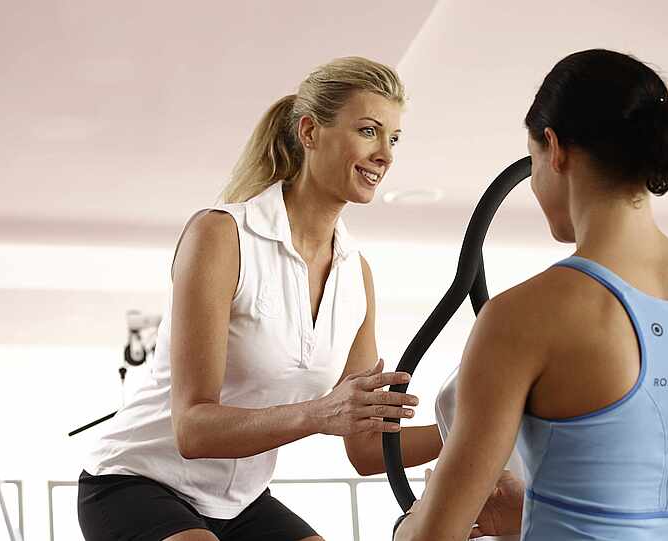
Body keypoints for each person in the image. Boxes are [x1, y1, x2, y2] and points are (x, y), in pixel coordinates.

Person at [393, 49, 668, 541]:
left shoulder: (523, 316)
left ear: (555, 148)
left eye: (533, 162)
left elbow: (436, 535)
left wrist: (409, 524)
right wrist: (530, 509)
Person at [77, 56, 446, 541]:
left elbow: (367, 449)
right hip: (135, 483)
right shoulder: (222, 236)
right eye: (368, 131)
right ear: (310, 132)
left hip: (240, 502)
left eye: (393, 139)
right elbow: (193, 429)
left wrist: (482, 429)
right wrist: (320, 413)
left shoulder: (356, 275)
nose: (385, 155)